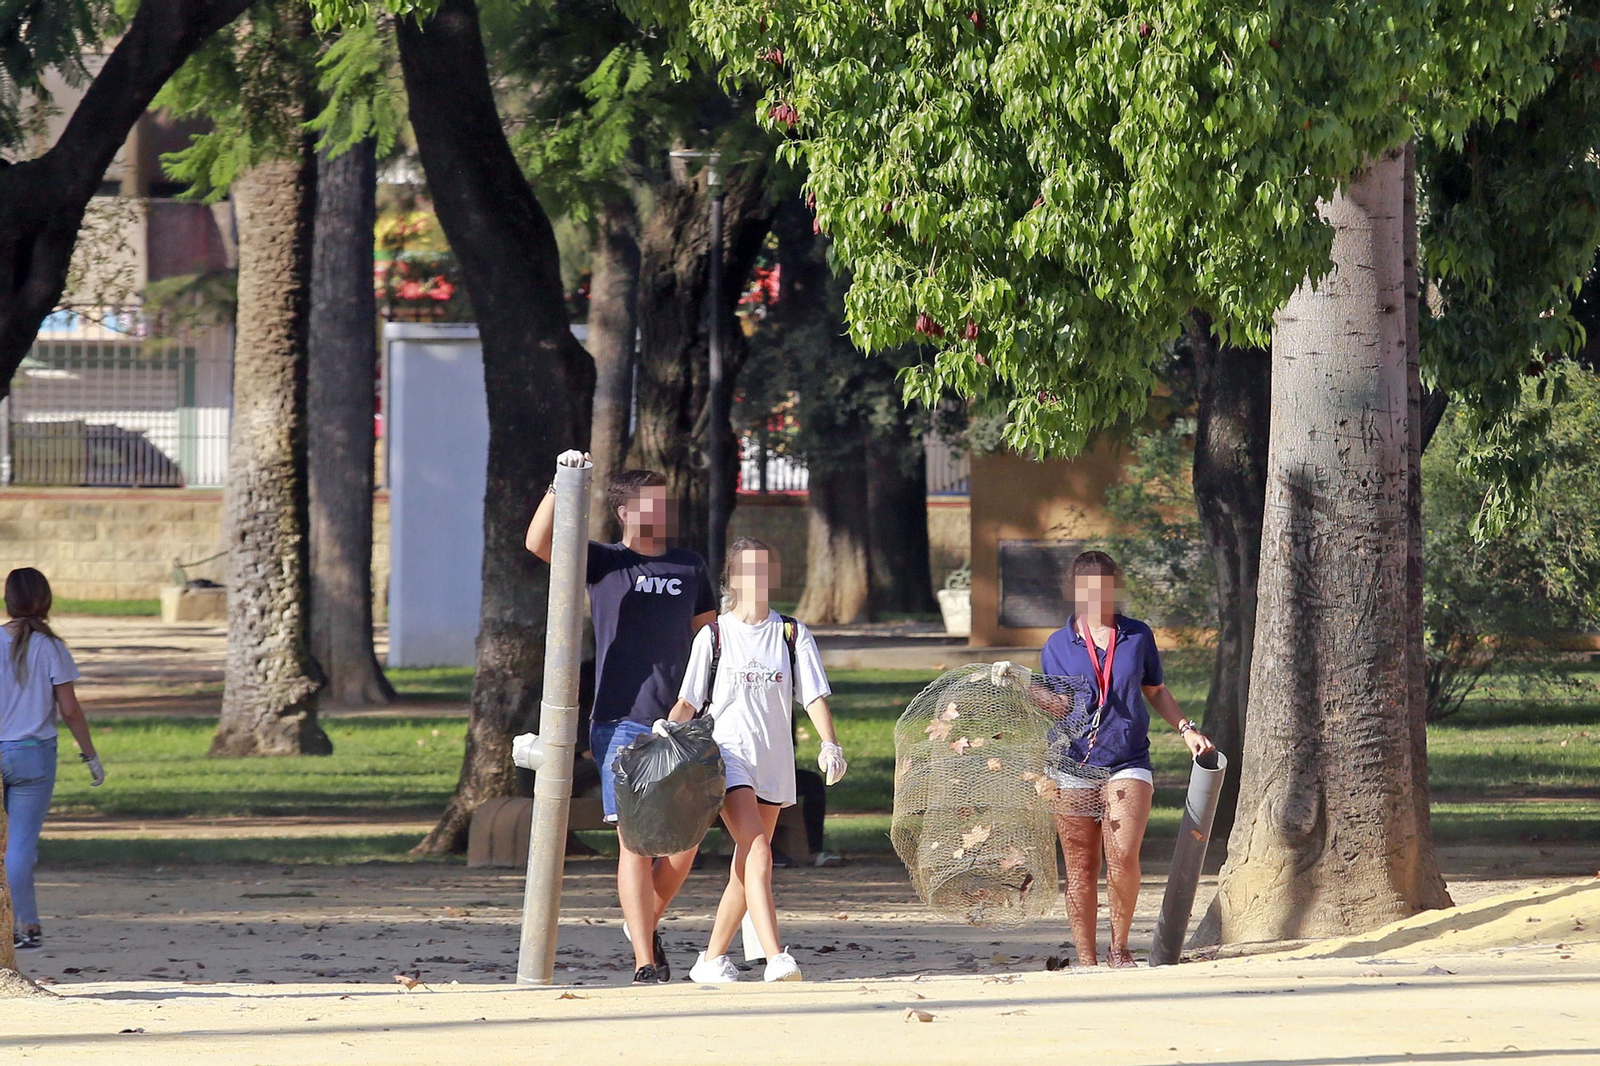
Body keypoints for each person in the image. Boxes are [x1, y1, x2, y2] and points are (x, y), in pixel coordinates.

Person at [523, 454, 717, 984]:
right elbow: (539, 544)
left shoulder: (690, 566)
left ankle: (643, 923)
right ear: (625, 512)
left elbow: (711, 639)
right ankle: (645, 961)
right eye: (653, 501)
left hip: (683, 724)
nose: (665, 509)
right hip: (621, 721)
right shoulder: (604, 563)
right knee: (635, 840)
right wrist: (559, 485)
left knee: (685, 839)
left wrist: (706, 704)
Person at [665, 537, 847, 984]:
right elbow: (689, 701)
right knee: (760, 849)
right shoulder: (714, 635)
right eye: (748, 569)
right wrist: (667, 732)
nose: (758, 578)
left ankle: (709, 960)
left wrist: (830, 744)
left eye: (764, 568)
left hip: (773, 760)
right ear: (733, 579)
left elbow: (814, 695)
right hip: (726, 756)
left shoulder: (791, 633)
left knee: (746, 865)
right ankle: (775, 956)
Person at [1041, 550, 1213, 968]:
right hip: (1072, 764)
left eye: (1103, 585)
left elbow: (1155, 689)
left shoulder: (1137, 635)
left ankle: (1119, 948)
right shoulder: (1057, 644)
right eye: (1086, 587)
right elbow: (1061, 705)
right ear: (1075, 590)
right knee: (1081, 866)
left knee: (1122, 854)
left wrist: (1187, 729)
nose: (1095, 594)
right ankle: (1085, 959)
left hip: (1127, 759)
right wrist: (1029, 693)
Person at [1, 567, 104, 952]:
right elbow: (70, 710)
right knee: (21, 845)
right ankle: (25, 925)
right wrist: (90, 755)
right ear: (46, 600)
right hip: (33, 754)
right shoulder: (51, 648)